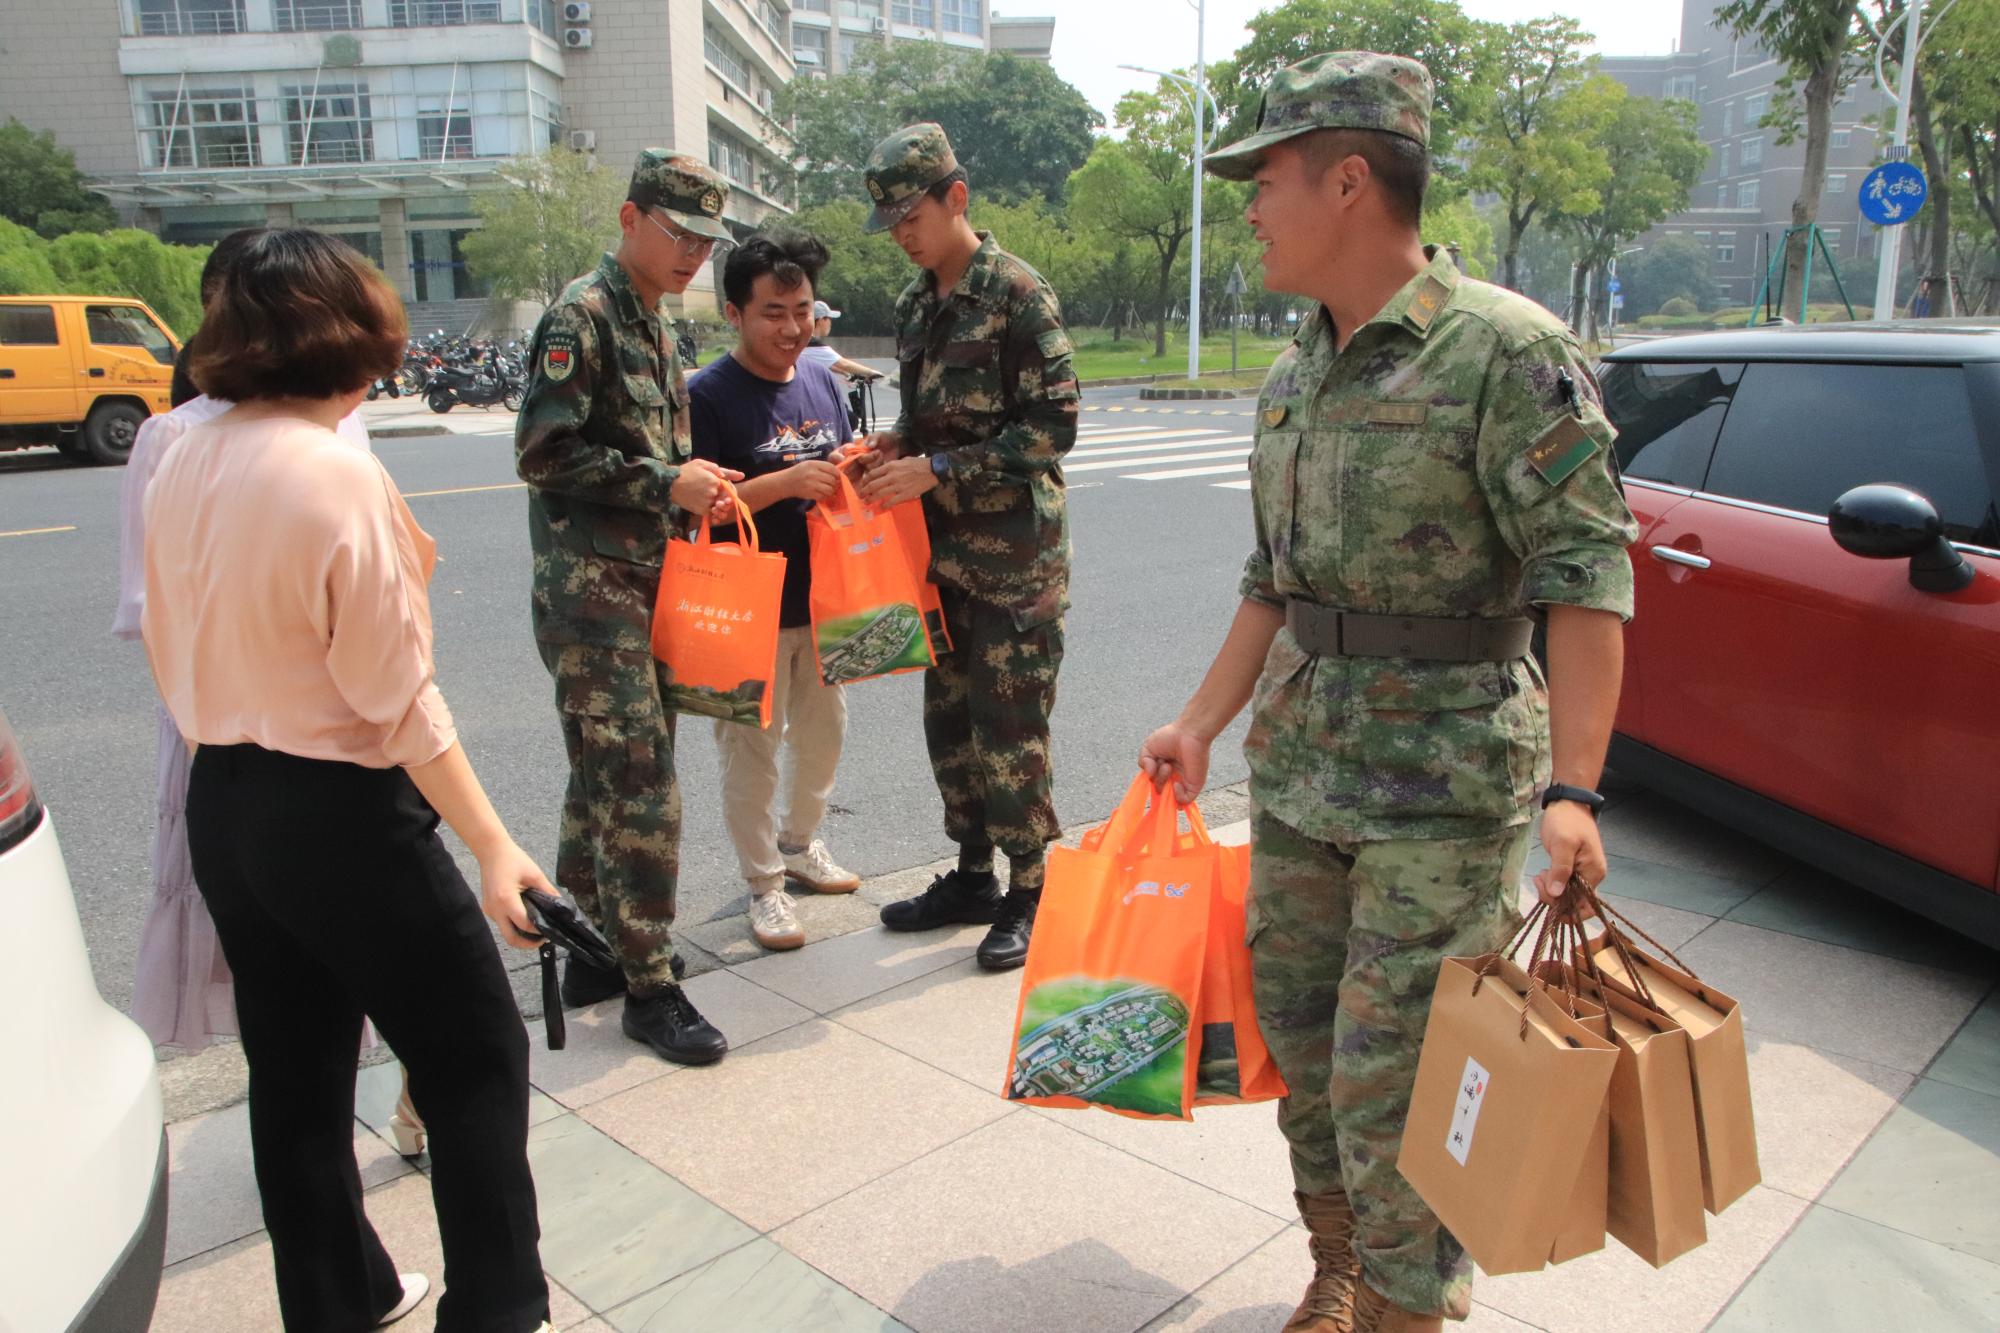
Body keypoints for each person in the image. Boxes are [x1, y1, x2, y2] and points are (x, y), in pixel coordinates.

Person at [1137, 53, 1638, 1333]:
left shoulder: (1507, 353)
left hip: (1443, 790)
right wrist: (1197, 723)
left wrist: (1575, 790)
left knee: (1400, 1077)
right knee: (1305, 1054)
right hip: (1302, 774)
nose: (1249, 209)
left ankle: (1405, 1308)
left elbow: (1585, 577)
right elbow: (1271, 580)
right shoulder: (1294, 370)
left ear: (1347, 181)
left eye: (1264, 180)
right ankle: (1341, 1266)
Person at [142, 228, 557, 1333]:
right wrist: (493, 845)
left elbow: (164, 639)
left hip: (226, 800)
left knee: (294, 1074)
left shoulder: (180, 452)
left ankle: (336, 1303)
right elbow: (397, 698)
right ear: (353, 333)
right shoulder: (333, 471)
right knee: (475, 1054)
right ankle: (499, 1313)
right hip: (340, 813)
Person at [514, 150, 740, 1064]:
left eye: (706, 241)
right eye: (679, 233)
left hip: (647, 585)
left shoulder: (655, 321)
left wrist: (687, 480)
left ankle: (596, 950)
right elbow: (541, 451)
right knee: (639, 783)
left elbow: (648, 450)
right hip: (592, 596)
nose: (693, 253)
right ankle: (650, 986)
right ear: (630, 218)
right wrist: (662, 481)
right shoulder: (584, 314)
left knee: (601, 775)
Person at [848, 122, 1080, 971]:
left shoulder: (1017, 294)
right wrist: (896, 444)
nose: (903, 236)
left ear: (957, 197)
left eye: (912, 217)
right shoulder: (916, 306)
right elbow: (927, 418)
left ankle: (1031, 887)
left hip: (1015, 562)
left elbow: (1054, 426)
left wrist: (938, 467)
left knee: (1009, 726)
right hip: (940, 558)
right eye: (891, 224)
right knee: (949, 724)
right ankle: (974, 875)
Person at [687, 232, 862, 951]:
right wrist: (786, 481)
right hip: (745, 608)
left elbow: (835, 466)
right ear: (734, 313)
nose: (792, 328)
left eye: (802, 311)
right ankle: (764, 884)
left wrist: (850, 462)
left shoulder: (820, 379)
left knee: (824, 735)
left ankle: (800, 843)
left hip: (822, 600)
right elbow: (699, 509)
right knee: (750, 752)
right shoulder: (706, 396)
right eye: (773, 312)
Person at [799, 299, 882, 381]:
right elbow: (844, 364)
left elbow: (826, 362)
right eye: (829, 319)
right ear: (821, 320)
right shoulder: (813, 344)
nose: (830, 323)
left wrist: (844, 372)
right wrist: (870, 372)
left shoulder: (803, 339)